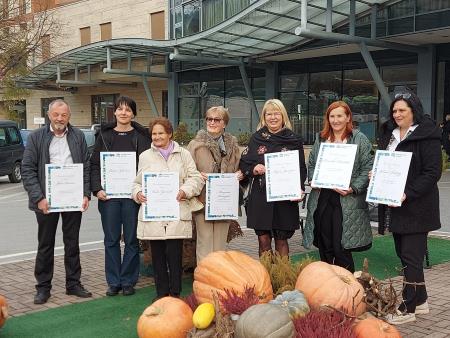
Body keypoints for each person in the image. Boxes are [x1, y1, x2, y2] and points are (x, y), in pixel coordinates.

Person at [378, 92, 441, 325]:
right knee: (405, 256)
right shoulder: (390, 135)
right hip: (395, 207)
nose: (397, 114)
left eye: (402, 110)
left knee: (410, 257)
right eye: (394, 111)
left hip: (417, 207)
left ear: (414, 110)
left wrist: (408, 193)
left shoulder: (428, 136)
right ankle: (421, 300)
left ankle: (408, 308)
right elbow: (385, 162)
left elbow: (432, 172)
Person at [21, 99, 92, 305]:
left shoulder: (78, 136)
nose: (60, 119)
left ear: (69, 116)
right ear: (49, 115)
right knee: (45, 245)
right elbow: (27, 170)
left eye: (64, 115)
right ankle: (43, 287)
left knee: (72, 243)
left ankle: (73, 284)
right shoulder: (36, 138)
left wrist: (85, 194)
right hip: (46, 201)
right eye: (56, 115)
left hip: (72, 199)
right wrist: (39, 198)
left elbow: (85, 167)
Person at [132, 117, 203, 301]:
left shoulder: (184, 154)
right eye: (154, 134)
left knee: (174, 254)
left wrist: (184, 190)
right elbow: (137, 183)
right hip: (154, 213)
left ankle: (175, 293)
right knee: (157, 256)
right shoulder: (145, 156)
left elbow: (195, 178)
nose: (157, 137)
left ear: (170, 134)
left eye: (161, 133)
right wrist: (138, 193)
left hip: (176, 211)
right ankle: (161, 293)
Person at [90, 96, 151, 297]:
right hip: (109, 198)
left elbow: (148, 167)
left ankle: (128, 281)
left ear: (133, 113)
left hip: (133, 197)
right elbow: (95, 165)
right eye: (120, 109)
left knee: (132, 240)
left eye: (128, 110)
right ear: (114, 112)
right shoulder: (104, 136)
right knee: (111, 239)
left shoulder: (142, 137)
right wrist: (97, 188)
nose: (124, 113)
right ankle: (114, 281)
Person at [303, 101, 373, 273]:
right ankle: (328, 283)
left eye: (340, 116)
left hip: (346, 199)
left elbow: (367, 168)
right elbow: (312, 164)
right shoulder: (321, 138)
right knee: (324, 243)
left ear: (348, 117)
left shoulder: (359, 139)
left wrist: (353, 187)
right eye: (332, 116)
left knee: (341, 247)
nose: (336, 120)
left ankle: (348, 287)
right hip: (323, 197)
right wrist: (313, 179)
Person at [239, 99, 307, 257]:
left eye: (277, 113)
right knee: (263, 240)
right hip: (261, 197)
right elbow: (244, 163)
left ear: (283, 116)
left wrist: (299, 188)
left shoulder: (294, 139)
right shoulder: (256, 138)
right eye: (269, 114)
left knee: (282, 241)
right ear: (264, 117)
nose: (273, 117)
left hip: (284, 198)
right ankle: (265, 277)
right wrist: (253, 169)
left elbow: (301, 168)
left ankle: (282, 278)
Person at [187, 106, 243, 262]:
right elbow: (185, 171)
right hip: (202, 200)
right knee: (205, 241)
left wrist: (241, 173)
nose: (212, 122)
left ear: (224, 123)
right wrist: (197, 175)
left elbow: (240, 167)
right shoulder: (195, 145)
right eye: (209, 119)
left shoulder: (233, 146)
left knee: (219, 243)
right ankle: (204, 279)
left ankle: (218, 277)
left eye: (216, 119)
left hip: (224, 201)